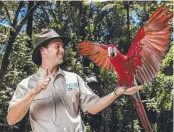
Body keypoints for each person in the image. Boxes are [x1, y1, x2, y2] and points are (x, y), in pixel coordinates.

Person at [7, 29, 143, 132]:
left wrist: (117, 92)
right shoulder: (27, 84)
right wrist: (34, 92)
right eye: (57, 46)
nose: (62, 50)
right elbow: (11, 119)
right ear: (43, 51)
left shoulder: (74, 78)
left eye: (62, 46)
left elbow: (93, 107)